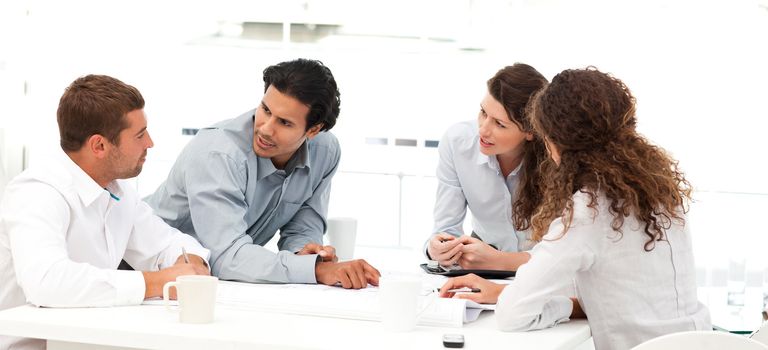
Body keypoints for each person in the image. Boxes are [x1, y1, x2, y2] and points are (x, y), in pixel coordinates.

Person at [438, 67, 710, 349]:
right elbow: (629, 296)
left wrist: (525, 300)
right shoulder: (659, 193)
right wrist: (568, 306)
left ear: (556, 144)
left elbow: (512, 314)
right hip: (705, 341)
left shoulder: (586, 213)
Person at [0, 75, 211, 350]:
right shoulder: (38, 192)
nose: (150, 143)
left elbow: (166, 243)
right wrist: (156, 282)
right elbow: (47, 280)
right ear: (99, 145)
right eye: (139, 135)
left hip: (85, 339)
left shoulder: (116, 190)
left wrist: (190, 265)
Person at [145, 58, 380, 289]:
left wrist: (306, 253)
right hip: (145, 273)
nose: (266, 128)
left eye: (285, 123)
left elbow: (303, 226)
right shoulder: (219, 154)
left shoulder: (325, 151)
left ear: (314, 130)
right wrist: (316, 270)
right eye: (265, 110)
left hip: (207, 284)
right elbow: (226, 256)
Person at [425, 63, 548, 270]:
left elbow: (566, 254)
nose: (483, 130)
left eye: (499, 124)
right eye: (483, 112)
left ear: (530, 131)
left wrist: (501, 261)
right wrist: (437, 249)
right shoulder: (457, 142)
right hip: (482, 264)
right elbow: (446, 228)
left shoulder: (555, 159)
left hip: (541, 271)